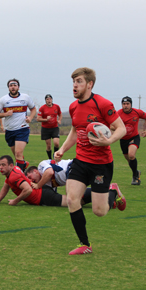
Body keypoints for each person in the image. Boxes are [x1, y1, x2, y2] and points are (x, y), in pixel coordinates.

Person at [54, 67, 127, 255]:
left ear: (89, 84)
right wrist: (62, 149)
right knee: (71, 199)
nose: (74, 85)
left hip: (101, 164)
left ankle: (114, 191)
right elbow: (75, 131)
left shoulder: (103, 103)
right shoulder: (73, 106)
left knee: (99, 211)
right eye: (73, 82)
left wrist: (109, 140)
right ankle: (84, 244)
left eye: (78, 81)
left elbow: (121, 128)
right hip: (81, 160)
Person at [0, 155, 69, 207]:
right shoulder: (12, 172)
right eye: (0, 165)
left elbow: (28, 189)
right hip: (42, 190)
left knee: (71, 202)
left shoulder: (13, 176)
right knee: (70, 200)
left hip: (43, 196)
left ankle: (81, 197)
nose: (1, 167)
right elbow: (5, 187)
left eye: (3, 165)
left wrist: (15, 201)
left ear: (11, 165)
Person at [0, 79, 36, 171]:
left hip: (22, 129)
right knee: (17, 155)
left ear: (18, 87)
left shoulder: (25, 97)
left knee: (18, 153)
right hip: (9, 130)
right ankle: (23, 164)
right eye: (11, 85)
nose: (13, 87)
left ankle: (19, 177)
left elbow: (33, 109)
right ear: (8, 88)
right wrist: (5, 114)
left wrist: (30, 118)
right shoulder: (3, 100)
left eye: (14, 85)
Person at [117, 96, 146, 185]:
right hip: (123, 139)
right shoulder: (118, 114)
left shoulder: (137, 112)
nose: (126, 106)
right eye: (124, 104)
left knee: (131, 155)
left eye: (127, 104)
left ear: (131, 105)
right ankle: (136, 172)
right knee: (129, 160)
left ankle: (135, 176)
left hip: (134, 137)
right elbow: (112, 124)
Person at [37, 94, 62, 160]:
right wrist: (46, 119)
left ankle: (55, 155)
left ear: (52, 99)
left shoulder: (56, 106)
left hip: (54, 127)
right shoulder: (42, 108)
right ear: (45, 100)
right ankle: (50, 159)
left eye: (50, 99)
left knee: (56, 143)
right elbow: (38, 118)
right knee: (48, 146)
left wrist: (59, 120)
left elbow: (60, 114)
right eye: (47, 99)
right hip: (46, 129)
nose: (49, 100)